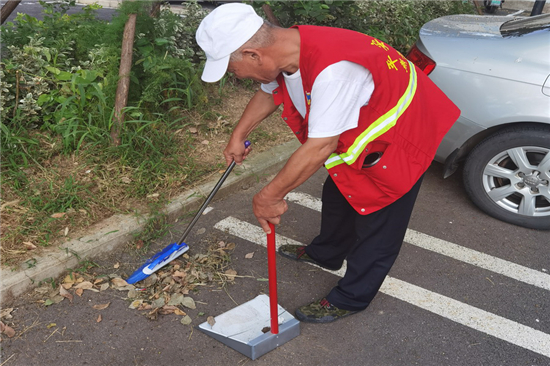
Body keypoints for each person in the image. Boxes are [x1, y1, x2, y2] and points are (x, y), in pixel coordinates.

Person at [195, 3, 460, 323]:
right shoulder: (287, 48)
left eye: (233, 69)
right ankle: (328, 253)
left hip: (405, 135)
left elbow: (320, 147)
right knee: (339, 192)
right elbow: (268, 93)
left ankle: (351, 298)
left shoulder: (333, 71)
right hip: (365, 122)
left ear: (253, 55)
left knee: (379, 222)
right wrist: (238, 135)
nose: (235, 75)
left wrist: (268, 196)